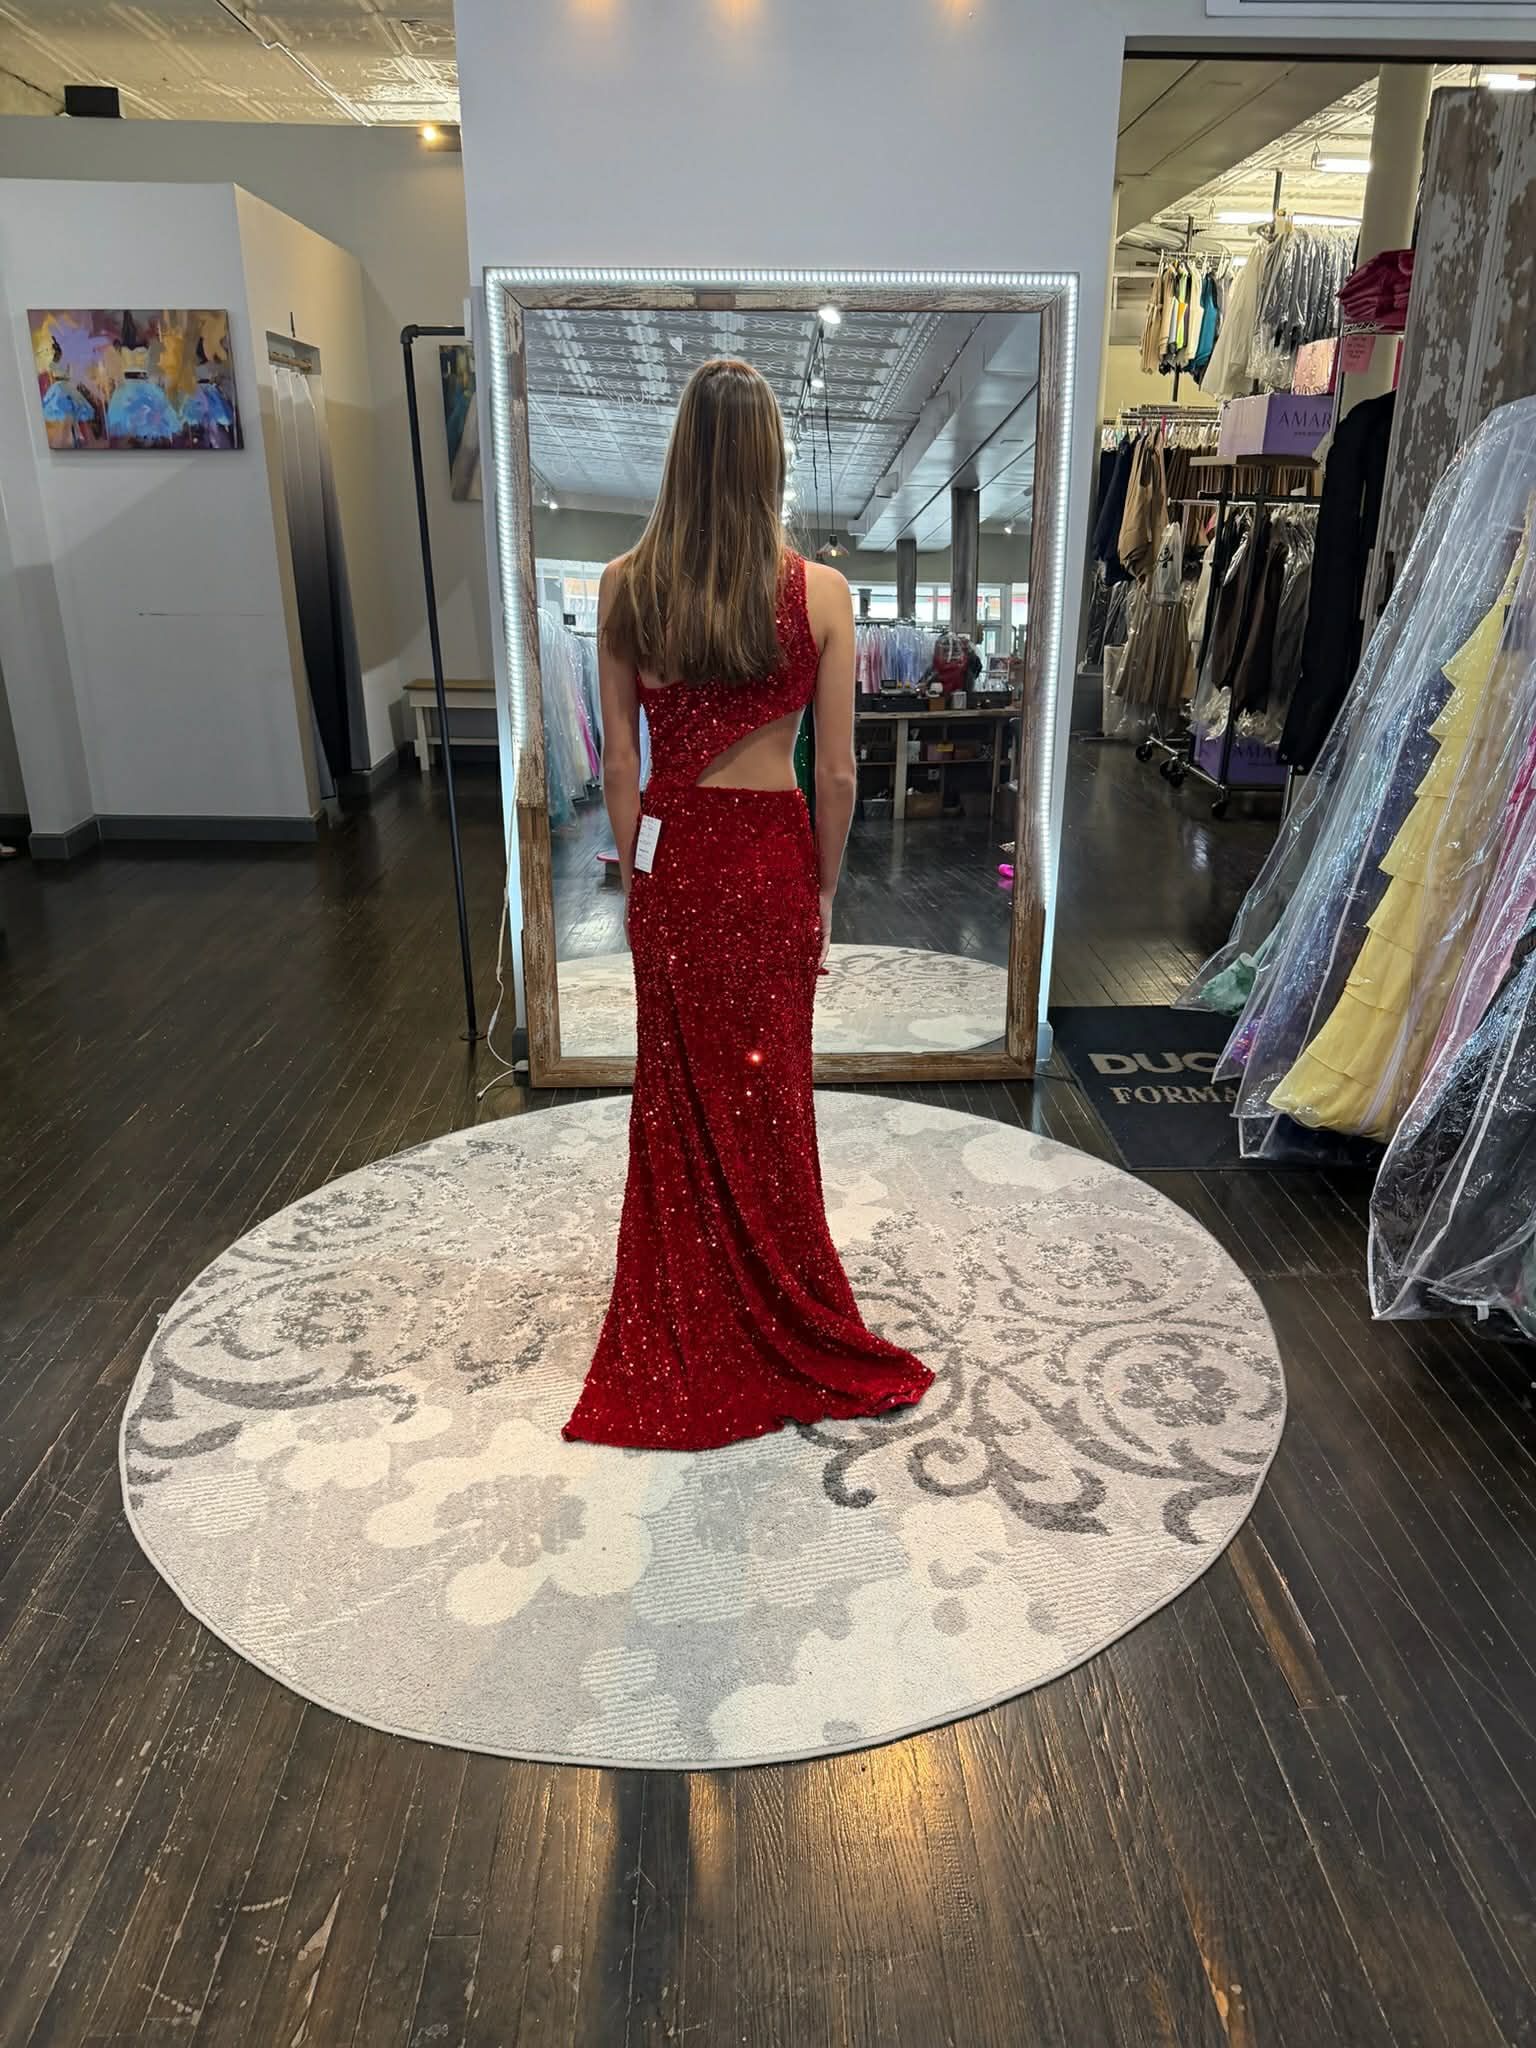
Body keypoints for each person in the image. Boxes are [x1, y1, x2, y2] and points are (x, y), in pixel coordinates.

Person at [562, 357, 934, 1451]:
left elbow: (621, 769)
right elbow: (839, 777)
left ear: (681, 452)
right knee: (772, 1102)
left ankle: (696, 1308)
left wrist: (641, 874)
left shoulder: (624, 586)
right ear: (771, 460)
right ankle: (782, 1302)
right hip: (769, 866)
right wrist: (821, 891)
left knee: (677, 1099)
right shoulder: (819, 594)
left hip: (678, 872)